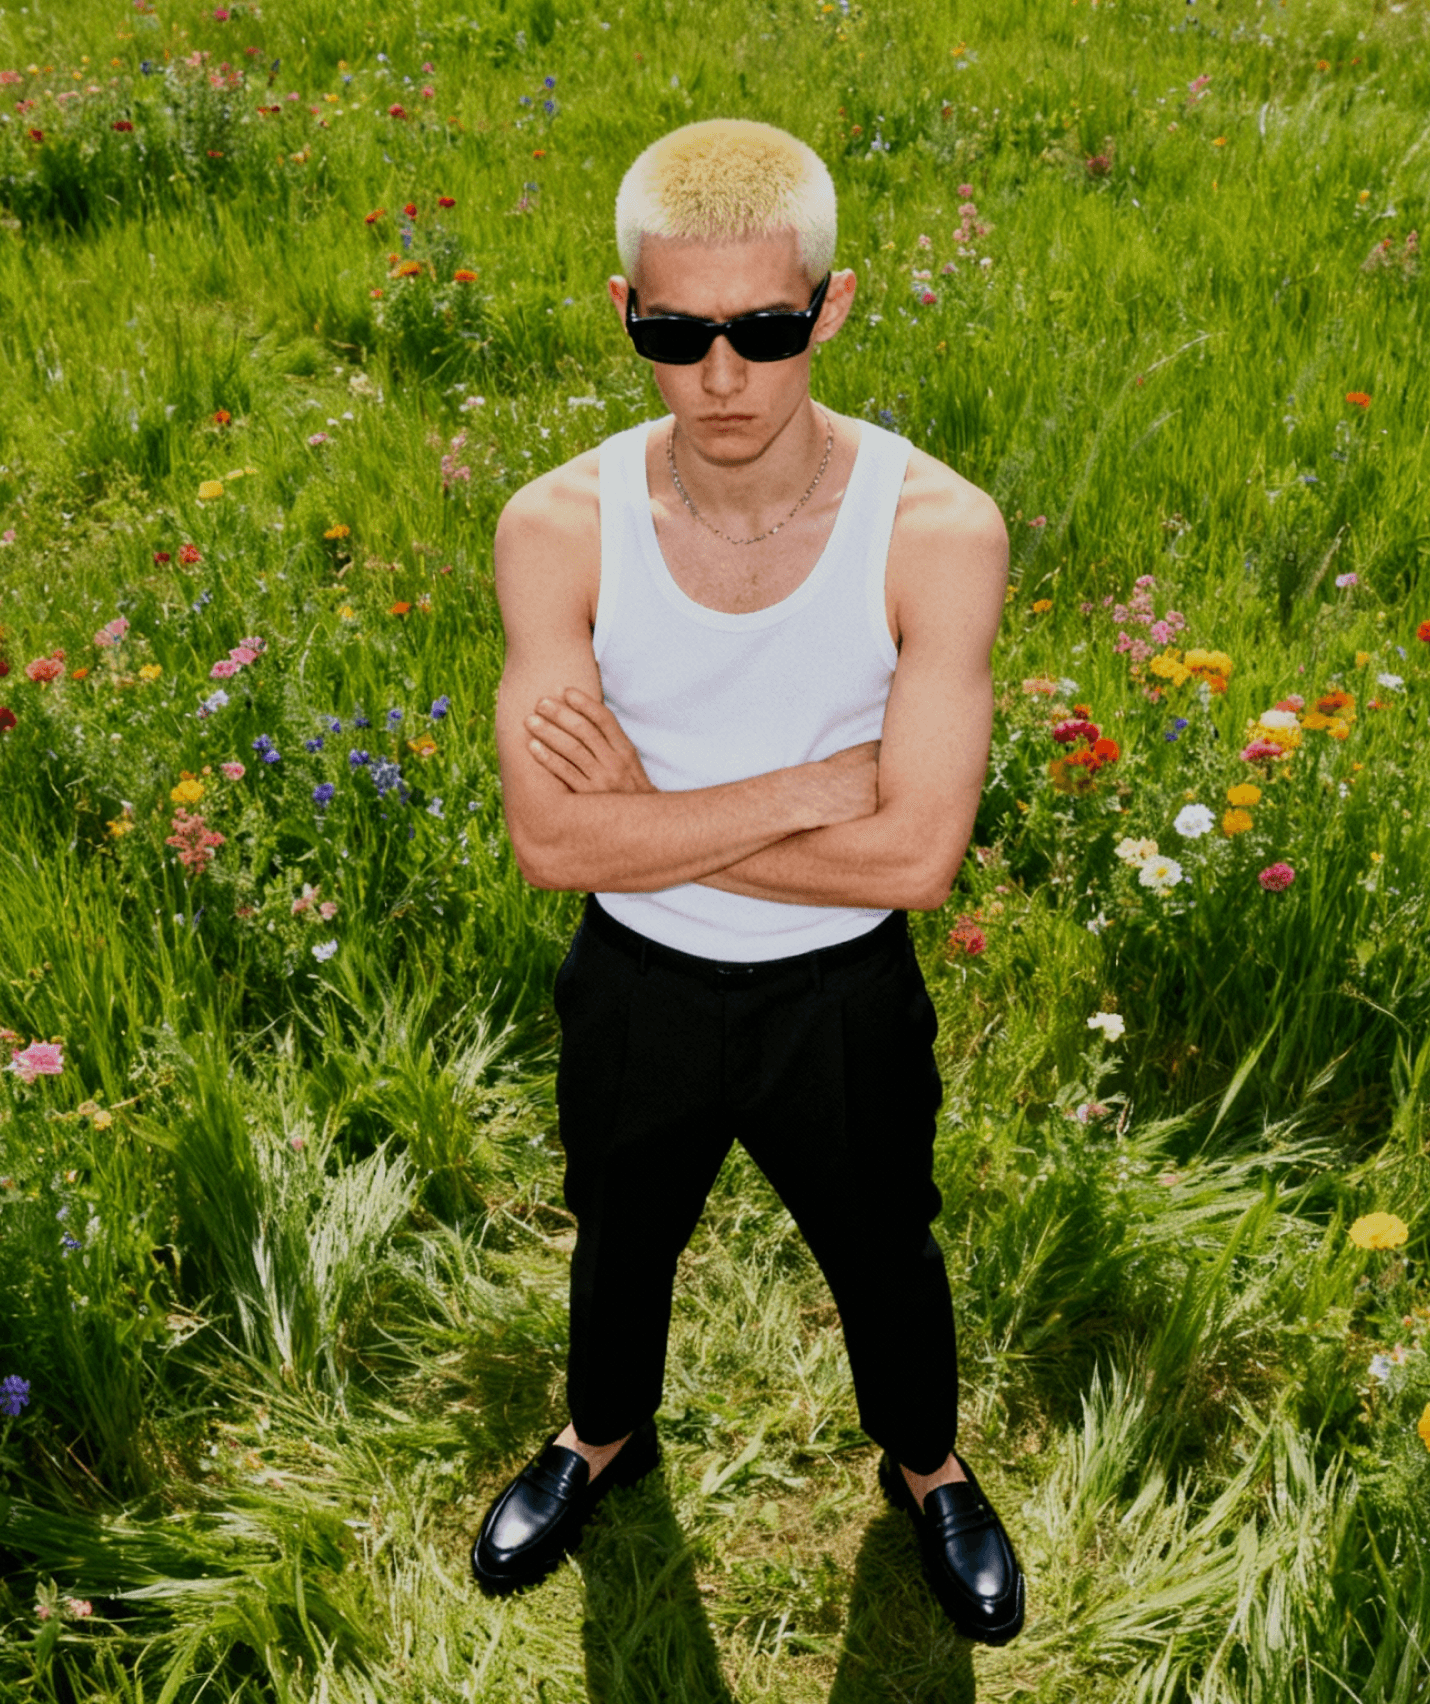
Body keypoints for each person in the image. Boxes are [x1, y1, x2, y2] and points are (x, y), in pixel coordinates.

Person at [471, 117, 1024, 1647]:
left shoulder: (935, 531)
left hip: (839, 995)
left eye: (764, 331)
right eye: (676, 334)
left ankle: (926, 1466)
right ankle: (601, 1435)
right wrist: (801, 789)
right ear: (625, 311)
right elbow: (555, 846)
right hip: (633, 980)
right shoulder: (558, 527)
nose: (721, 375)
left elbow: (915, 859)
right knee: (619, 1230)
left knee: (884, 1244)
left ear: (831, 308)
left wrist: (652, 814)